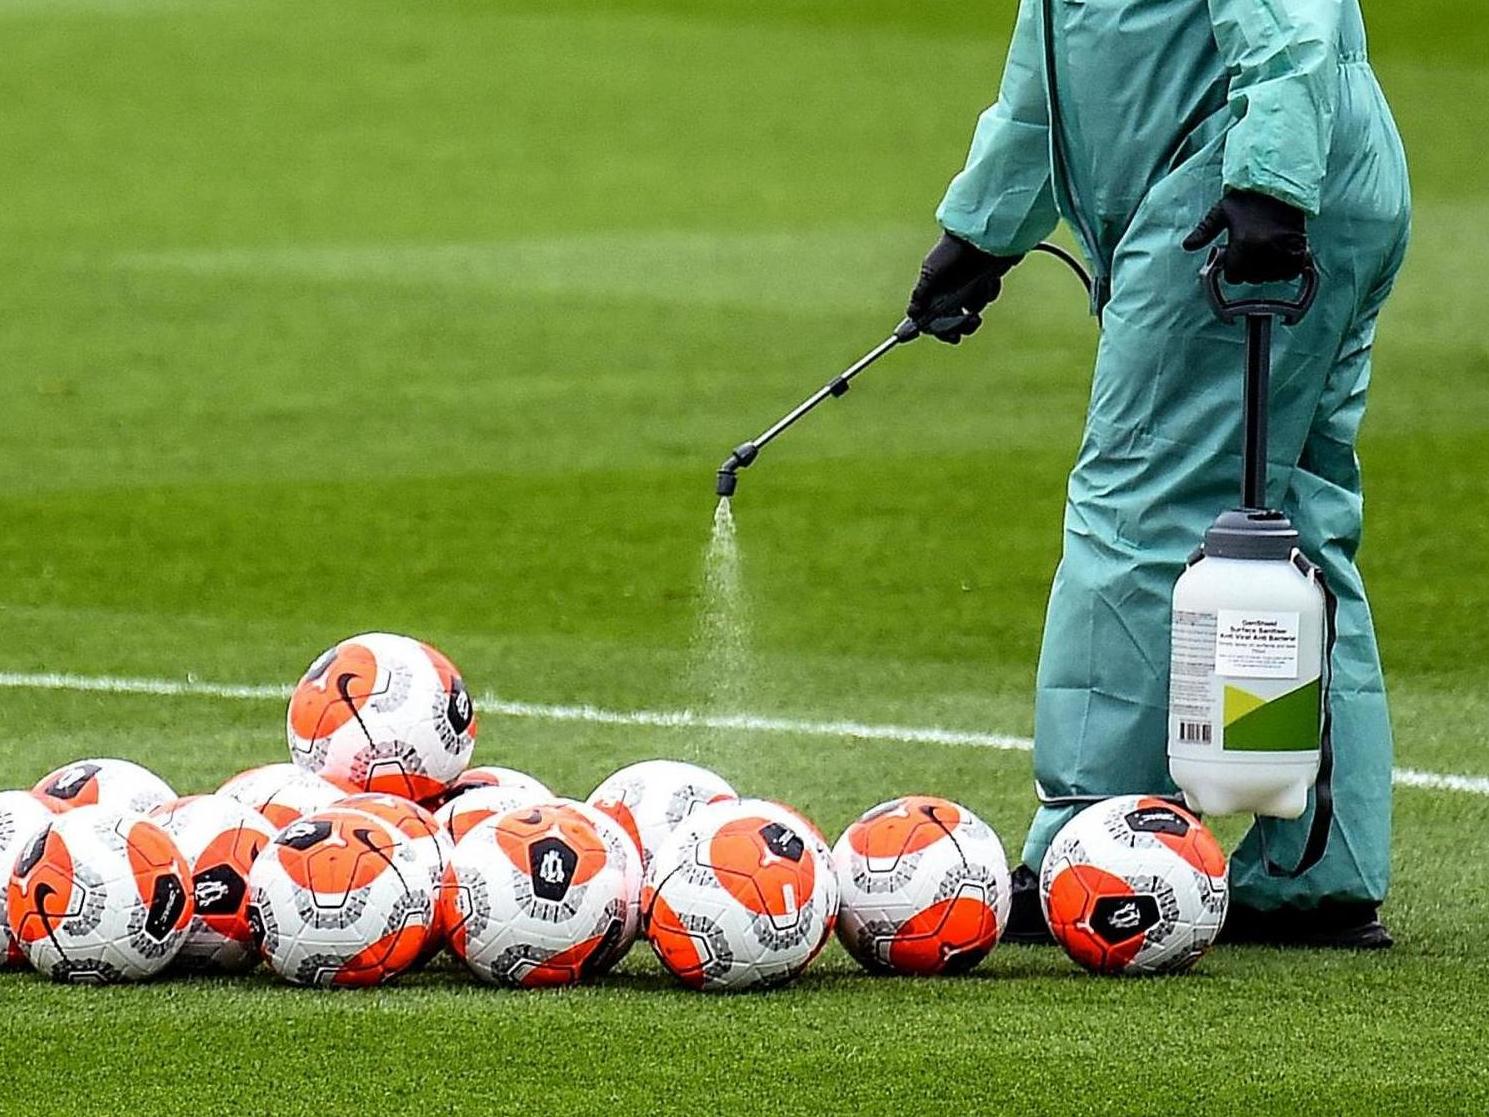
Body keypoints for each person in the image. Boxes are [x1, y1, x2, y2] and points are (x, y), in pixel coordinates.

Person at [906, 0, 1410, 947]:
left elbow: (1287, 21)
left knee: (1134, 511)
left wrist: (1266, 179)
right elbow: (1051, 67)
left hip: (1233, 188)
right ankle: (1314, 871)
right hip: (1298, 174)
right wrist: (985, 229)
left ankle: (1087, 851)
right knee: (1294, 519)